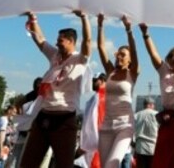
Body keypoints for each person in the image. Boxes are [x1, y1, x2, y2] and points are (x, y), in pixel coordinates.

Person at [20, 10, 92, 168]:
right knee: (28, 163)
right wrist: (33, 20)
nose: (57, 44)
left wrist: (84, 18)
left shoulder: (80, 59)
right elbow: (40, 41)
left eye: (61, 41)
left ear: (71, 41)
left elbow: (87, 41)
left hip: (64, 120)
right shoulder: (55, 56)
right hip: (43, 117)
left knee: (64, 164)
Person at [138, 22, 174, 168]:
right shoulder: (164, 71)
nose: (172, 58)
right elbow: (153, 54)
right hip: (168, 122)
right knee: (163, 160)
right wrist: (146, 34)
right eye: (170, 55)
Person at [97, 14, 140, 168]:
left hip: (125, 126)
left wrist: (129, 30)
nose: (119, 57)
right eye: (118, 54)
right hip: (107, 125)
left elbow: (135, 53)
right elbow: (101, 48)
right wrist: (100, 24)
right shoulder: (110, 72)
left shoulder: (132, 73)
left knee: (112, 165)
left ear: (129, 60)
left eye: (123, 55)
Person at [133, 97, 159, 168]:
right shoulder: (157, 115)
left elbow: (132, 130)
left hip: (140, 147)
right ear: (151, 105)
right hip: (153, 147)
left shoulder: (137, 115)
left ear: (144, 105)